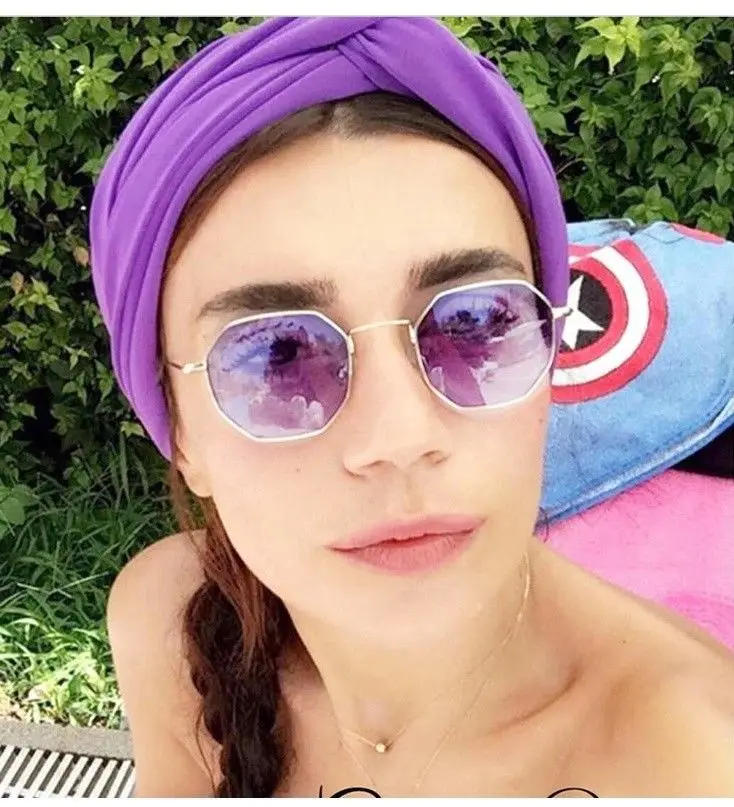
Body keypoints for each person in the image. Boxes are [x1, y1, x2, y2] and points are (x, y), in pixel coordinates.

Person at [90, 17, 734, 798]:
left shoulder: (693, 761)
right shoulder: (174, 628)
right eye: (278, 353)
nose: (401, 435)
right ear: (180, 431)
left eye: (475, 323)